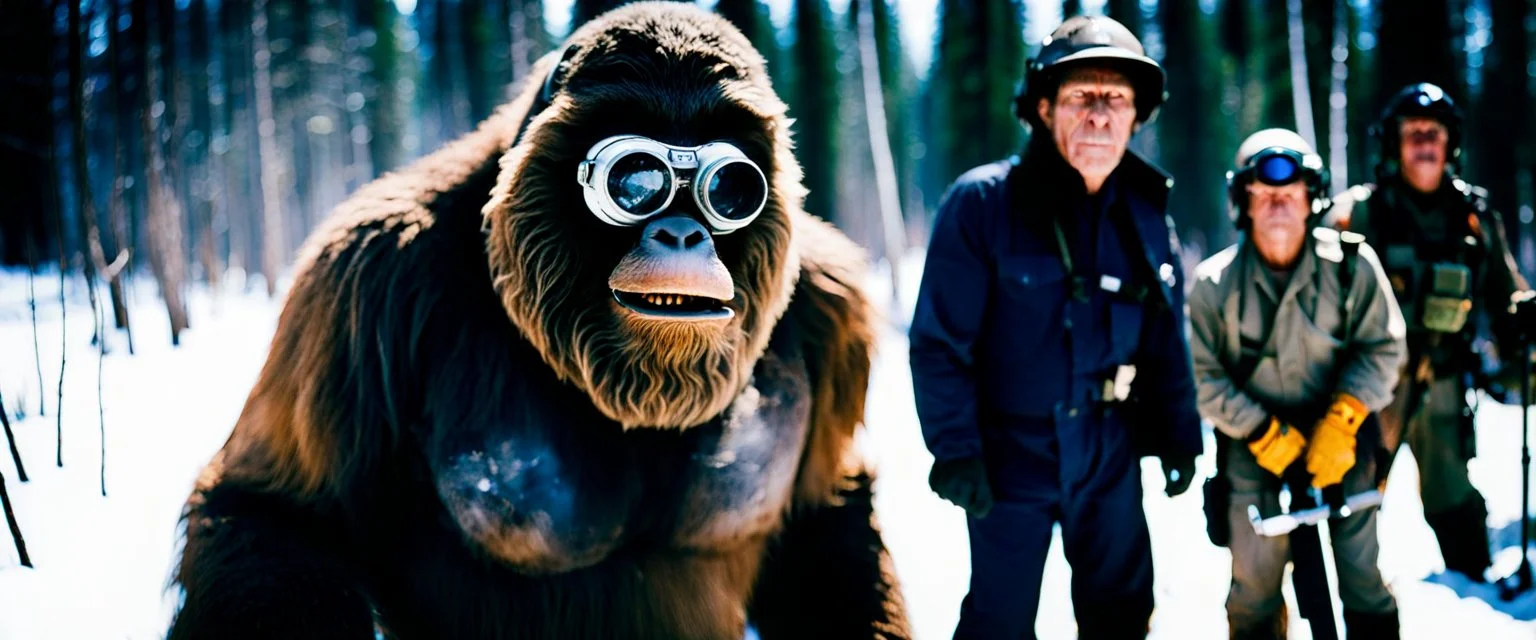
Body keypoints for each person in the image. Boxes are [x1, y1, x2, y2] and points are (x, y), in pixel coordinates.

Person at [909, 16, 1201, 639]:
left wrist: (1180, 433)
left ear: (1135, 117)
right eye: (1081, 97)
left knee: (1122, 612)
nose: (1100, 115)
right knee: (999, 621)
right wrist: (957, 449)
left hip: (1109, 453)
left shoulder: (1148, 220)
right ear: (1044, 109)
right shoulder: (983, 205)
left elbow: (1165, 343)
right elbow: (939, 344)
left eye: (1116, 99)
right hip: (1010, 456)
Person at [1189, 129, 1406, 638]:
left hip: (1342, 443)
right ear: (1242, 202)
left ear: (1314, 199)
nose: (1279, 203)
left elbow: (1385, 348)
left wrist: (1344, 418)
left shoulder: (1353, 266)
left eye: (1291, 192)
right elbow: (1204, 378)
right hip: (1254, 450)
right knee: (1253, 587)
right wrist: (1263, 433)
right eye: (1264, 193)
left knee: (1362, 575)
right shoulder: (1214, 285)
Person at [1326, 83, 1530, 581]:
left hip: (1443, 385)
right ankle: (1353, 602)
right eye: (1412, 133)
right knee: (1353, 498)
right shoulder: (1358, 213)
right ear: (1393, 144)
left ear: (1450, 144)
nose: (1422, 143)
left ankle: (1474, 589)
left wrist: (1520, 334)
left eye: (1432, 134)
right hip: (1373, 390)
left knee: (1453, 499)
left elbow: (1508, 298)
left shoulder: (1475, 217)